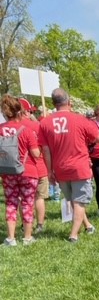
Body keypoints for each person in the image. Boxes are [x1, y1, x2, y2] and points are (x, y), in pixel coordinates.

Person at [38, 88, 99, 242]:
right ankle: (73, 235)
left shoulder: (44, 122)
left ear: (53, 103)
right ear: (68, 102)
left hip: (60, 168)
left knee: (74, 200)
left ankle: (88, 225)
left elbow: (45, 151)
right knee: (79, 200)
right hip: (79, 166)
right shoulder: (80, 119)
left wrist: (49, 171)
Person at [1, 94, 40, 246]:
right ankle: (27, 237)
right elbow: (36, 154)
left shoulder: (0, 129)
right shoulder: (26, 130)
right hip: (28, 171)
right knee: (27, 203)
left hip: (7, 172)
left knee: (11, 202)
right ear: (19, 112)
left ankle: (11, 238)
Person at [19, 98, 49, 234]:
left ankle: (24, 223)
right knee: (39, 197)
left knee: (23, 198)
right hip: (40, 165)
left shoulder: (13, 126)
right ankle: (40, 225)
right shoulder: (36, 126)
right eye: (30, 111)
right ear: (26, 111)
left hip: (21, 168)